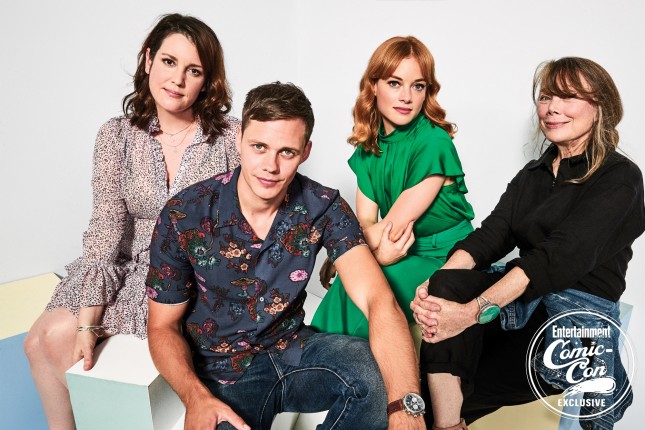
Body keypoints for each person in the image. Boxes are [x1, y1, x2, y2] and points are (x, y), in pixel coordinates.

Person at [146, 82, 425, 430]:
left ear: (305, 151)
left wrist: (407, 409)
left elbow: (378, 300)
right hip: (224, 371)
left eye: (287, 152)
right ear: (239, 139)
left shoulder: (322, 206)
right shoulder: (185, 213)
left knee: (377, 375)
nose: (271, 166)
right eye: (259, 147)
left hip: (294, 351)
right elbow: (162, 326)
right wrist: (195, 397)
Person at [23, 14, 240, 429]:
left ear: (207, 81)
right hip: (125, 267)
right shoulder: (116, 135)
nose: (177, 79)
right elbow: (106, 225)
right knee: (41, 340)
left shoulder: (231, 137)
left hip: (190, 273)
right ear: (148, 60)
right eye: (169, 62)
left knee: (74, 347)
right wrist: (88, 323)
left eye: (193, 70)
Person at [411, 57, 644, 430]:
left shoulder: (620, 178)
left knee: (432, 396)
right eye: (547, 96)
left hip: (570, 322)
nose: (552, 108)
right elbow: (491, 235)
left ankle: (442, 420)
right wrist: (433, 287)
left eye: (568, 97)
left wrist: (469, 313)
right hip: (522, 304)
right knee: (446, 285)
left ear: (600, 106)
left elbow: (553, 260)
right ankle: (448, 423)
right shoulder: (534, 173)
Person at [311, 36, 475, 339]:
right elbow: (365, 224)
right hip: (399, 248)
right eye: (395, 83)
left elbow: (391, 228)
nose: (407, 97)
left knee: (369, 289)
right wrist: (351, 254)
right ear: (374, 85)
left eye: (418, 86)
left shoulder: (433, 143)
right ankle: (312, 358)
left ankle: (330, 362)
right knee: (353, 283)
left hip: (446, 257)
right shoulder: (369, 147)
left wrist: (340, 256)